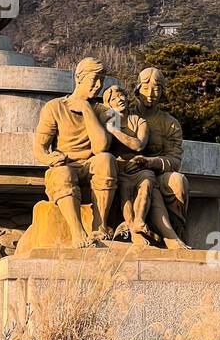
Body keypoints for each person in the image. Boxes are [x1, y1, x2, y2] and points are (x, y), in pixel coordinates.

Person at [33, 57, 118, 248]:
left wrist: (87, 110)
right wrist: (49, 158)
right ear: (79, 78)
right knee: (63, 173)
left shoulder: (107, 111)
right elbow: (39, 147)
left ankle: (100, 224)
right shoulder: (55, 107)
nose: (98, 85)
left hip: (91, 166)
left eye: (102, 81)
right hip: (65, 166)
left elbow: (101, 147)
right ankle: (77, 231)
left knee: (106, 160)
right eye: (94, 79)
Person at [127, 66, 189, 250]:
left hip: (157, 172)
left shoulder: (170, 123)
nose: (151, 93)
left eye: (156, 89)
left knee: (178, 181)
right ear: (138, 89)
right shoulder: (124, 115)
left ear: (162, 92)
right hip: (128, 172)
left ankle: (175, 232)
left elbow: (175, 160)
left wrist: (150, 162)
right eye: (146, 88)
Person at [99, 77, 153, 245]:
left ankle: (139, 220)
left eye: (121, 96)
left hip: (138, 166)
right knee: (125, 193)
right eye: (114, 99)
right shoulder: (108, 118)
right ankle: (131, 228)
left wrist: (115, 132)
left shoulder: (138, 121)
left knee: (146, 183)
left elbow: (138, 145)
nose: (120, 100)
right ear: (108, 104)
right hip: (117, 168)